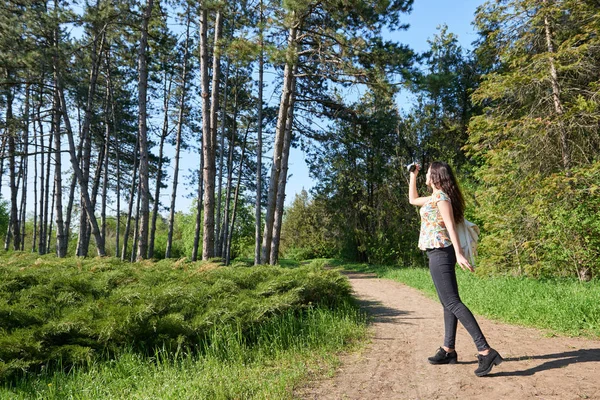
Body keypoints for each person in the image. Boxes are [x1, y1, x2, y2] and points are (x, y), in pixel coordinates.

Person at [408, 161, 503, 377]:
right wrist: (413, 175)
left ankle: (485, 351)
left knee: (452, 302)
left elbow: (451, 226)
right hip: (436, 253)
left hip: (442, 252)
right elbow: (413, 200)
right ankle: (448, 349)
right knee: (447, 302)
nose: (426, 176)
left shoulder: (441, 197)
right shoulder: (434, 197)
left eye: (428, 172)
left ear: (435, 176)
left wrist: (459, 253)